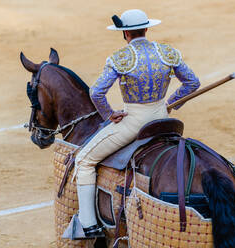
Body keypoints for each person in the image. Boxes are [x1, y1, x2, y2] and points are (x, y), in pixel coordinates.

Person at [67, 9, 200, 239]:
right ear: (146, 29)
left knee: (84, 160)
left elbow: (96, 93)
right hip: (163, 118)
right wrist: (170, 103)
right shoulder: (167, 52)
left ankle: (89, 225)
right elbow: (192, 83)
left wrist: (109, 114)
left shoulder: (120, 58)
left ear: (125, 33)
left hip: (134, 123)